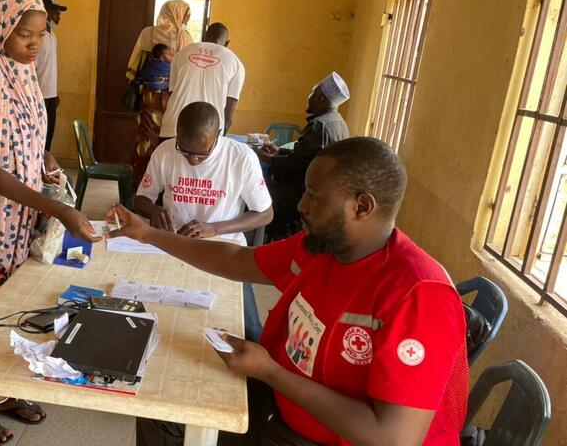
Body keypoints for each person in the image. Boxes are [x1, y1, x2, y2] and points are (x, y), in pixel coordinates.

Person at [107, 137, 468, 446]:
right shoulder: (322, 248)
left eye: (313, 196)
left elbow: (392, 437)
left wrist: (271, 373)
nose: (301, 206)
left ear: (362, 207)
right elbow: (237, 261)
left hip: (321, 436)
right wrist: (150, 235)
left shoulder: (417, 295)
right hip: (284, 404)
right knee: (162, 406)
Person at [0, 0, 101, 442]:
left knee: (13, 303)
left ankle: (3, 391)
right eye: (24, 34)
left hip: (20, 205)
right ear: (1, 26)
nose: (35, 44)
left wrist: (43, 159)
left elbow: (25, 133)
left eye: (41, 33)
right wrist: (58, 208)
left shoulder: (21, 71)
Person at [135, 102, 272, 342]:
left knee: (248, 329)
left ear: (219, 135)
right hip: (174, 246)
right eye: (185, 150)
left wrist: (214, 228)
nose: (193, 161)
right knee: (153, 316)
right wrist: (154, 210)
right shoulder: (165, 151)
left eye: (201, 154)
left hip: (226, 251)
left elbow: (264, 214)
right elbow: (140, 199)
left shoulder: (241, 158)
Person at [261, 72, 351, 241]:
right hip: (324, 190)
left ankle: (275, 241)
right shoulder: (337, 122)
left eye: (313, 93)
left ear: (321, 99)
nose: (309, 97)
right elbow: (307, 155)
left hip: (305, 192)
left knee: (260, 195)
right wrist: (279, 151)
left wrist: (270, 160)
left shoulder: (319, 125)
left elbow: (298, 165)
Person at [127, 0, 193, 186]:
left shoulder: (148, 33)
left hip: (149, 97)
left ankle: (139, 182)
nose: (188, 17)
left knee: (145, 139)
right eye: (186, 14)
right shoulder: (183, 37)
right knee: (169, 141)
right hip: (172, 98)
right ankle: (162, 187)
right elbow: (188, 67)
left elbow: (134, 63)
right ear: (177, 14)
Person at [159, 22, 245, 140]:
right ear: (227, 43)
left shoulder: (181, 54)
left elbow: (172, 94)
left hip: (173, 127)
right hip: (207, 135)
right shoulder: (236, 63)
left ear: (203, 38)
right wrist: (218, 141)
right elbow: (228, 117)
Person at [35, 0, 67, 151]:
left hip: (51, 96)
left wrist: (55, 92)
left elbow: (49, 67)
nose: (59, 17)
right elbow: (32, 69)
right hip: (39, 96)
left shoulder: (52, 37)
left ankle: (44, 171)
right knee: (38, 137)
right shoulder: (38, 37)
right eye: (56, 12)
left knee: (48, 137)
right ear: (45, 13)